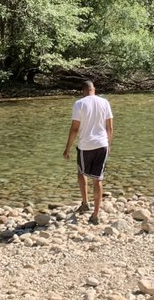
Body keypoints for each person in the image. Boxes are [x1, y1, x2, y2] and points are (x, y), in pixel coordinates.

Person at [62, 79, 113, 224]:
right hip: (102, 144)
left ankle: (85, 203)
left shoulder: (79, 104)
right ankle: (95, 215)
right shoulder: (105, 102)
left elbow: (75, 129)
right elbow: (109, 128)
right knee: (98, 179)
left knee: (81, 172)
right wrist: (109, 145)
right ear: (94, 89)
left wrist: (67, 148)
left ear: (83, 91)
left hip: (86, 146)